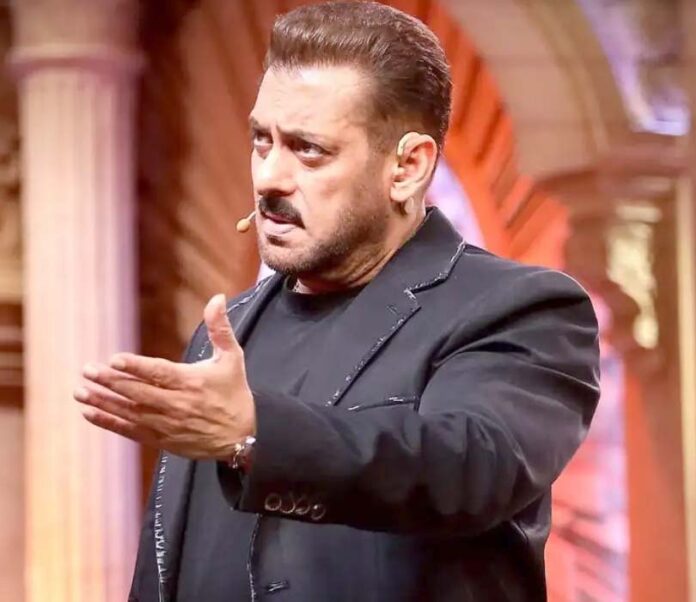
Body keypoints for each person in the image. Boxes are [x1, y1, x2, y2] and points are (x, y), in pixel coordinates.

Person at [75, 2, 600, 600]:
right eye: (262, 141)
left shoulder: (518, 310)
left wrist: (255, 434)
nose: (269, 177)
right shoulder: (228, 332)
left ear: (407, 167)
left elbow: (467, 467)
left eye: (308, 150)